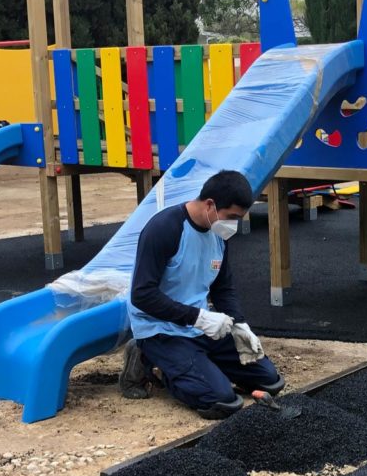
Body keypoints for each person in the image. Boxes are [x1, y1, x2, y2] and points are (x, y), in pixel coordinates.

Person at [119, 170, 283, 418]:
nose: (233, 224)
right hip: (161, 328)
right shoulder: (165, 228)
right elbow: (142, 295)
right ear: (210, 205)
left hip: (199, 325)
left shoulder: (218, 233)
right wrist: (198, 317)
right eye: (231, 217)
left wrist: (240, 325)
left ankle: (198, 364)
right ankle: (149, 357)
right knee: (220, 402)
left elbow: (222, 287)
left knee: (270, 381)